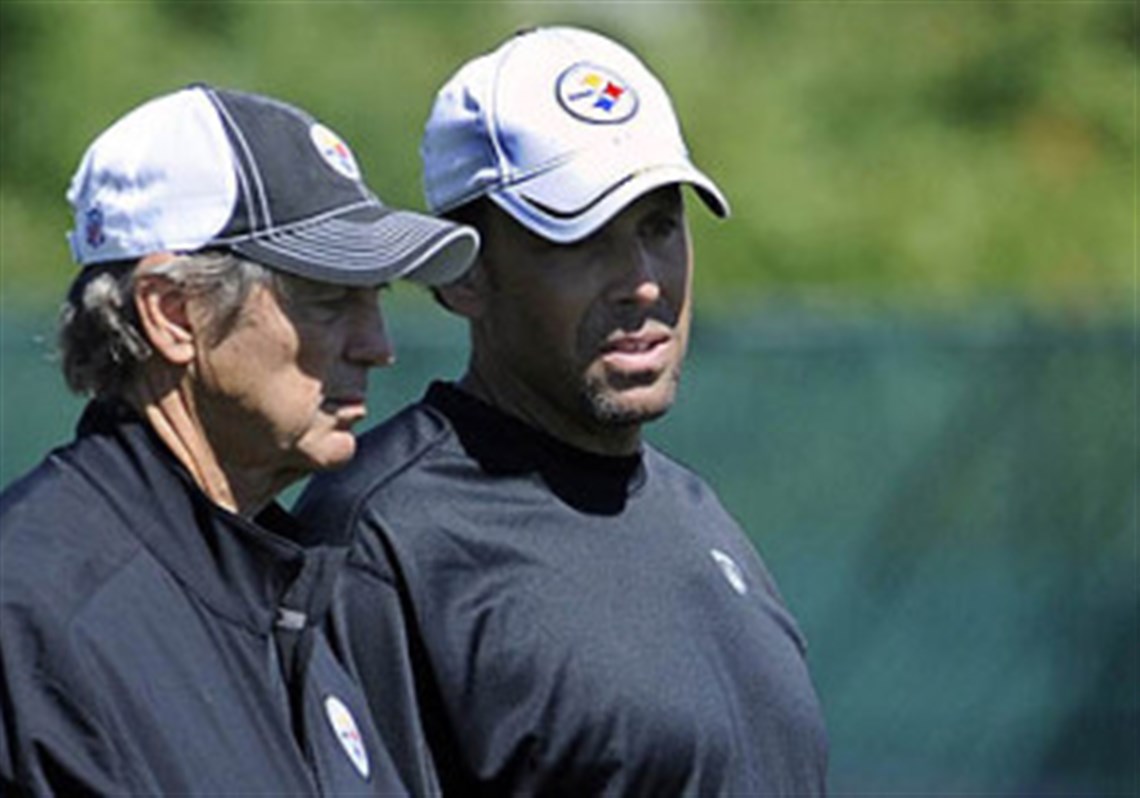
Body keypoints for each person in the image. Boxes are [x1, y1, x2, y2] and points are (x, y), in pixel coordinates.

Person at [298, 26, 828, 795]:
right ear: (462, 274)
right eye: (580, 238)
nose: (643, 283)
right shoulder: (381, 538)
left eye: (659, 227)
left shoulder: (697, 513)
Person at [0, 84, 478, 795]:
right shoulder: (40, 615)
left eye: (375, 298)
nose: (377, 347)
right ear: (173, 314)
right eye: (328, 299)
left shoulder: (286, 591)